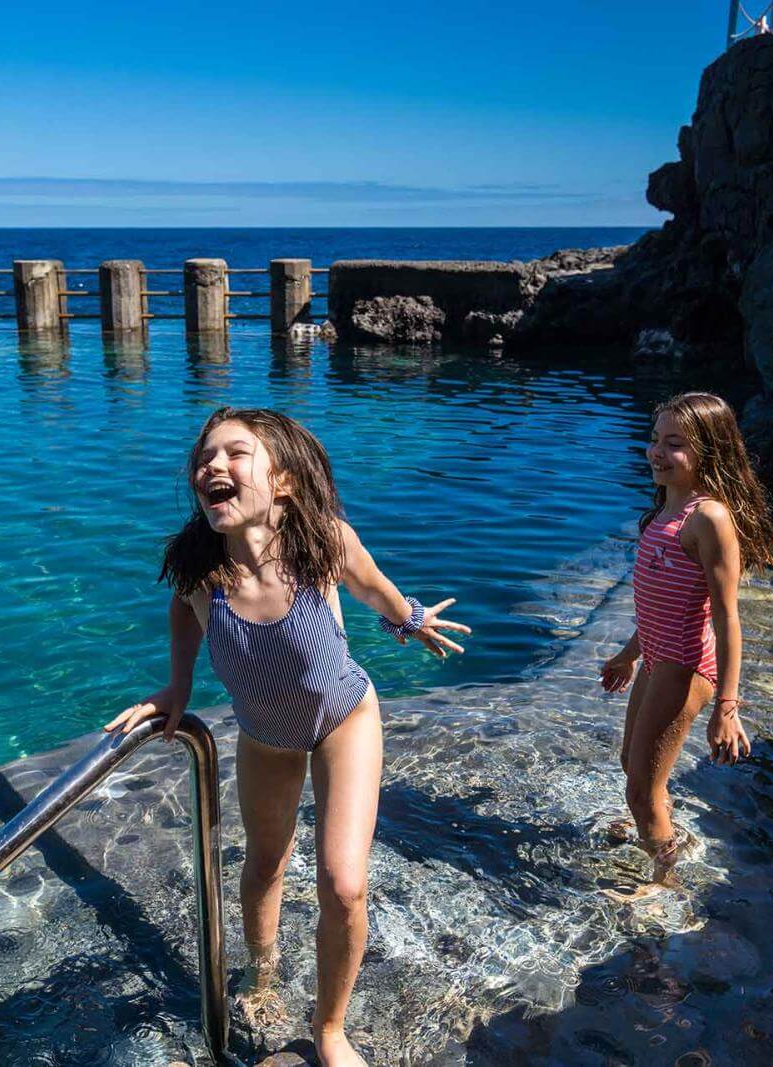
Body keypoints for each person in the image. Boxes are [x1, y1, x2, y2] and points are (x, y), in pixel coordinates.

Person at [105, 406, 469, 1067]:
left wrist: (411, 620)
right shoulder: (199, 571)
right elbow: (183, 618)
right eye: (204, 457)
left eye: (235, 453)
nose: (212, 465)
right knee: (265, 865)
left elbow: (375, 589)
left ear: (284, 482)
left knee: (343, 883)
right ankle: (262, 971)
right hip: (265, 736)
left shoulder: (321, 542)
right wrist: (175, 687)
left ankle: (330, 1029)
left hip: (343, 719)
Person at [600, 392, 773, 885]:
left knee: (640, 788)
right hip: (658, 659)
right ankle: (663, 826)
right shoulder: (665, 511)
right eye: (655, 439)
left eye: (674, 444)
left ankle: (664, 883)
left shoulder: (710, 518)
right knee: (632, 766)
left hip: (684, 666)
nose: (657, 452)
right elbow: (662, 605)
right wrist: (628, 654)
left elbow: (726, 617)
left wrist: (727, 705)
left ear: (709, 452)